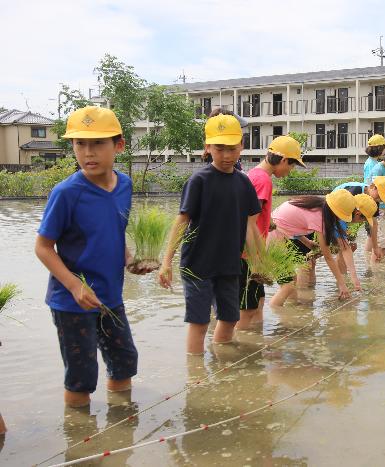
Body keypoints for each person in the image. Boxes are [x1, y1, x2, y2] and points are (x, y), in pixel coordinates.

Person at [34, 107, 155, 408]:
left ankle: (121, 427)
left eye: (98, 143)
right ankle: (80, 441)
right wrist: (75, 286)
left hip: (111, 296)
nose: (88, 152)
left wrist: (130, 261)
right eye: (80, 143)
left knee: (125, 361)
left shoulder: (125, 186)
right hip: (71, 301)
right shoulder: (66, 193)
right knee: (81, 375)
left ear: (119, 145)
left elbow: (114, 234)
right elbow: (43, 247)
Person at [158, 113, 262, 355]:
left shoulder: (244, 183)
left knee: (229, 317)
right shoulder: (199, 180)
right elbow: (181, 221)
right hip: (197, 264)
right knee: (200, 321)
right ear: (207, 147)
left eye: (232, 149)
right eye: (219, 148)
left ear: (242, 146)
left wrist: (260, 262)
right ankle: (196, 376)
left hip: (229, 264)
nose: (226, 155)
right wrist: (166, 262)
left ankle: (221, 362)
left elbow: (250, 227)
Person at [238, 135, 305, 330]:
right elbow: (247, 221)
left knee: (257, 303)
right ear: (283, 160)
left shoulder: (254, 175)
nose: (290, 171)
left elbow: (255, 218)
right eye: (291, 166)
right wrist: (259, 262)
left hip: (250, 252)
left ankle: (255, 343)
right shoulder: (263, 180)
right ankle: (233, 348)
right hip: (248, 254)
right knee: (247, 308)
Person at [268, 190, 356, 306]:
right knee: (287, 287)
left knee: (291, 286)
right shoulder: (319, 217)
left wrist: (308, 242)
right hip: (273, 241)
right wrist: (342, 284)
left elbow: (290, 225)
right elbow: (328, 257)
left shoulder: (317, 205)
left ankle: (290, 317)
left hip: (276, 235)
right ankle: (274, 316)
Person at [333, 175, 385, 259]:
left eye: (382, 198)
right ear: (373, 187)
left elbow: (374, 224)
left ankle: (343, 270)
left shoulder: (374, 201)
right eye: (380, 196)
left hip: (350, 217)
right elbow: (340, 213)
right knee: (344, 247)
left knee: (352, 246)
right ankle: (342, 271)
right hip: (336, 211)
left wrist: (375, 247)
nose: (380, 199)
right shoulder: (355, 191)